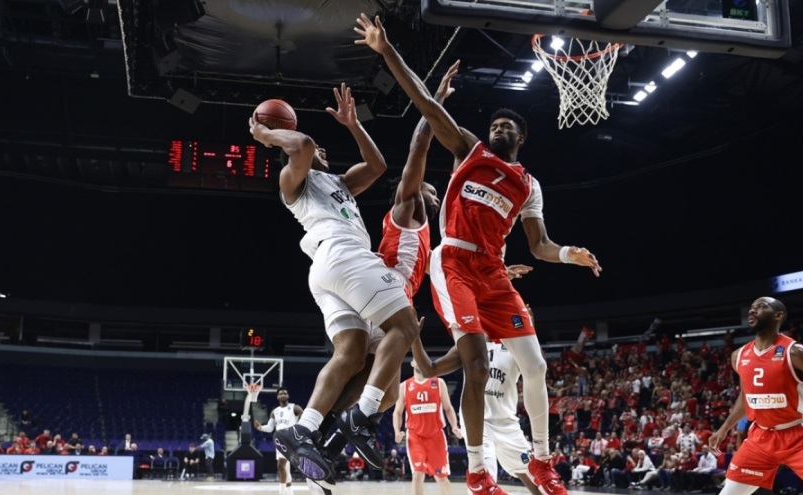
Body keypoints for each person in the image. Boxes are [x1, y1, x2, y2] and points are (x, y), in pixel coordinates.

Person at [355, 14, 602, 495]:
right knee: (473, 361)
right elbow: (425, 105)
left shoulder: (528, 185)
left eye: (508, 124)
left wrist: (572, 254)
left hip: (493, 274)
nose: (500, 126)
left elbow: (540, 246)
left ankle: (545, 461)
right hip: (453, 264)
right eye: (496, 122)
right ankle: (475, 469)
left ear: (520, 139)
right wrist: (385, 50)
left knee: (536, 366)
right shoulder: (470, 150)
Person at [249, 82, 422, 482]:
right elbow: (305, 144)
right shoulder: (295, 182)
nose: (321, 152)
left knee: (352, 354)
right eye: (314, 154)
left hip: (327, 271)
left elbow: (377, 166)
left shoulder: (340, 185)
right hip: (342, 255)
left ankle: (305, 430)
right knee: (407, 325)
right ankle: (361, 418)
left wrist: (353, 124)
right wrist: (266, 135)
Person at [707, 297, 803, 495]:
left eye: (760, 307)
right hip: (760, 437)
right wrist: (724, 428)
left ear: (778, 316)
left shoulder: (796, 353)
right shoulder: (738, 356)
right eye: (751, 308)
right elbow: (746, 396)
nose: (752, 311)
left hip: (798, 435)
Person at [411, 292, 544, 495]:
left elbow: (538, 370)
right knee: (483, 485)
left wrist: (529, 333)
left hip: (507, 423)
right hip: (477, 424)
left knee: (539, 485)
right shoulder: (469, 345)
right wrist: (414, 339)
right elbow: (430, 370)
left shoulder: (514, 344)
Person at [393, 358, 463, 495]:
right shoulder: (404, 386)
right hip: (415, 436)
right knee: (417, 474)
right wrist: (397, 431)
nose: (419, 362)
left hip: (436, 436)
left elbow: (448, 408)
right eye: (417, 359)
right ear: (412, 363)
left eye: (423, 359)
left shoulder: (438, 383)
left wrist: (454, 425)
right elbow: (397, 412)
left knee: (442, 477)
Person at [255, 386, 304, 495]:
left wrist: (300, 430)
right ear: (277, 396)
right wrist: (260, 427)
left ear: (288, 396)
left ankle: (281, 493)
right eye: (281, 394)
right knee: (285, 468)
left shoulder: (295, 408)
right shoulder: (274, 412)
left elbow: (305, 418)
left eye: (285, 393)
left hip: (291, 439)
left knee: (280, 465)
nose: (283, 395)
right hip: (279, 441)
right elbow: (270, 428)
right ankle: (289, 492)